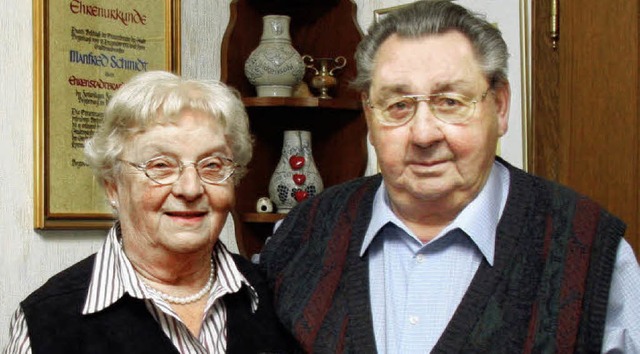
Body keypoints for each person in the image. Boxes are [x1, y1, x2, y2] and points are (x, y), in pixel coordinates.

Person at [259, 1, 640, 353]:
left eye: (451, 102)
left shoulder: (592, 255)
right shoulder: (300, 238)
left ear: (501, 106)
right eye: (398, 105)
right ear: (369, 116)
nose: (424, 134)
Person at [4, 71, 296, 353]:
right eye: (161, 165)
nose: (190, 188)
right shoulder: (46, 323)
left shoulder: (279, 298)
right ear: (112, 187)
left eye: (212, 165)